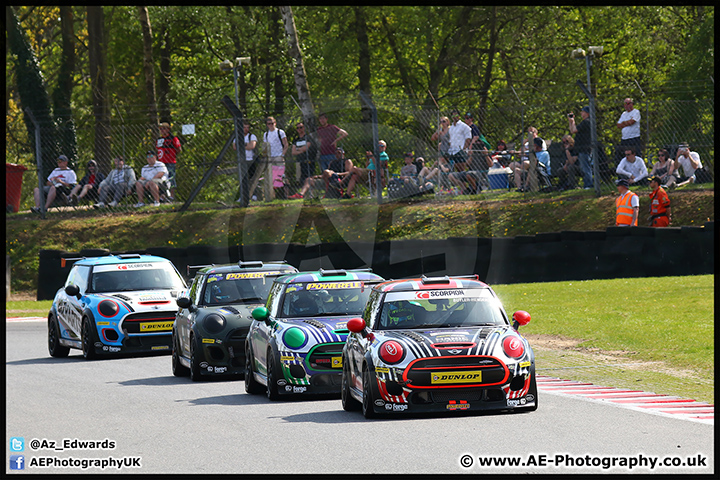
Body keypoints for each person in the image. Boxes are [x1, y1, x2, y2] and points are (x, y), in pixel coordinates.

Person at [261, 116, 289, 201]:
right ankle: (271, 196)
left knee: (282, 176)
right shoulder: (266, 134)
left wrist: (282, 155)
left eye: (272, 123)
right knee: (270, 177)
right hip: (270, 158)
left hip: (279, 156)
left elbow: (286, 144)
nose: (271, 125)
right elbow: (264, 147)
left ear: (275, 123)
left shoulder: (280, 132)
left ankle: (286, 195)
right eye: (269, 124)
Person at [568, 106, 593, 189]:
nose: (581, 113)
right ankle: (587, 184)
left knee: (586, 167)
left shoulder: (587, 121)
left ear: (587, 113)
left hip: (585, 148)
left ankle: (588, 184)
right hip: (581, 148)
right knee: (583, 167)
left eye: (582, 112)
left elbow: (574, 130)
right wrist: (571, 121)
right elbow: (572, 131)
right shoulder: (584, 122)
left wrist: (573, 122)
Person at [156, 122, 182, 201]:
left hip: (170, 161)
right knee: (162, 179)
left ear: (168, 129)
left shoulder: (173, 138)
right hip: (161, 162)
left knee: (171, 177)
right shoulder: (159, 139)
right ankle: (163, 195)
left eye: (164, 128)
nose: (162, 130)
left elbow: (179, 149)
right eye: (161, 129)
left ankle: (172, 195)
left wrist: (171, 154)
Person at [235, 120, 260, 202]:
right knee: (242, 179)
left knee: (252, 178)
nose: (246, 129)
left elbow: (252, 146)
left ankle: (254, 195)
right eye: (244, 127)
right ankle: (242, 196)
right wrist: (246, 145)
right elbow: (235, 147)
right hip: (241, 160)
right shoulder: (237, 136)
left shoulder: (252, 136)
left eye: (247, 127)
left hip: (251, 160)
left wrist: (241, 145)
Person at [291, 121, 317, 193]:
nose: (299, 129)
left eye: (301, 127)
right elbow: (293, 152)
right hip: (300, 162)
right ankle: (305, 194)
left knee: (309, 177)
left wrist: (298, 149)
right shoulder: (295, 139)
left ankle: (312, 193)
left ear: (304, 128)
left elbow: (306, 148)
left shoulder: (308, 137)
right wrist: (301, 150)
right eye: (298, 128)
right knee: (301, 179)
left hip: (309, 161)